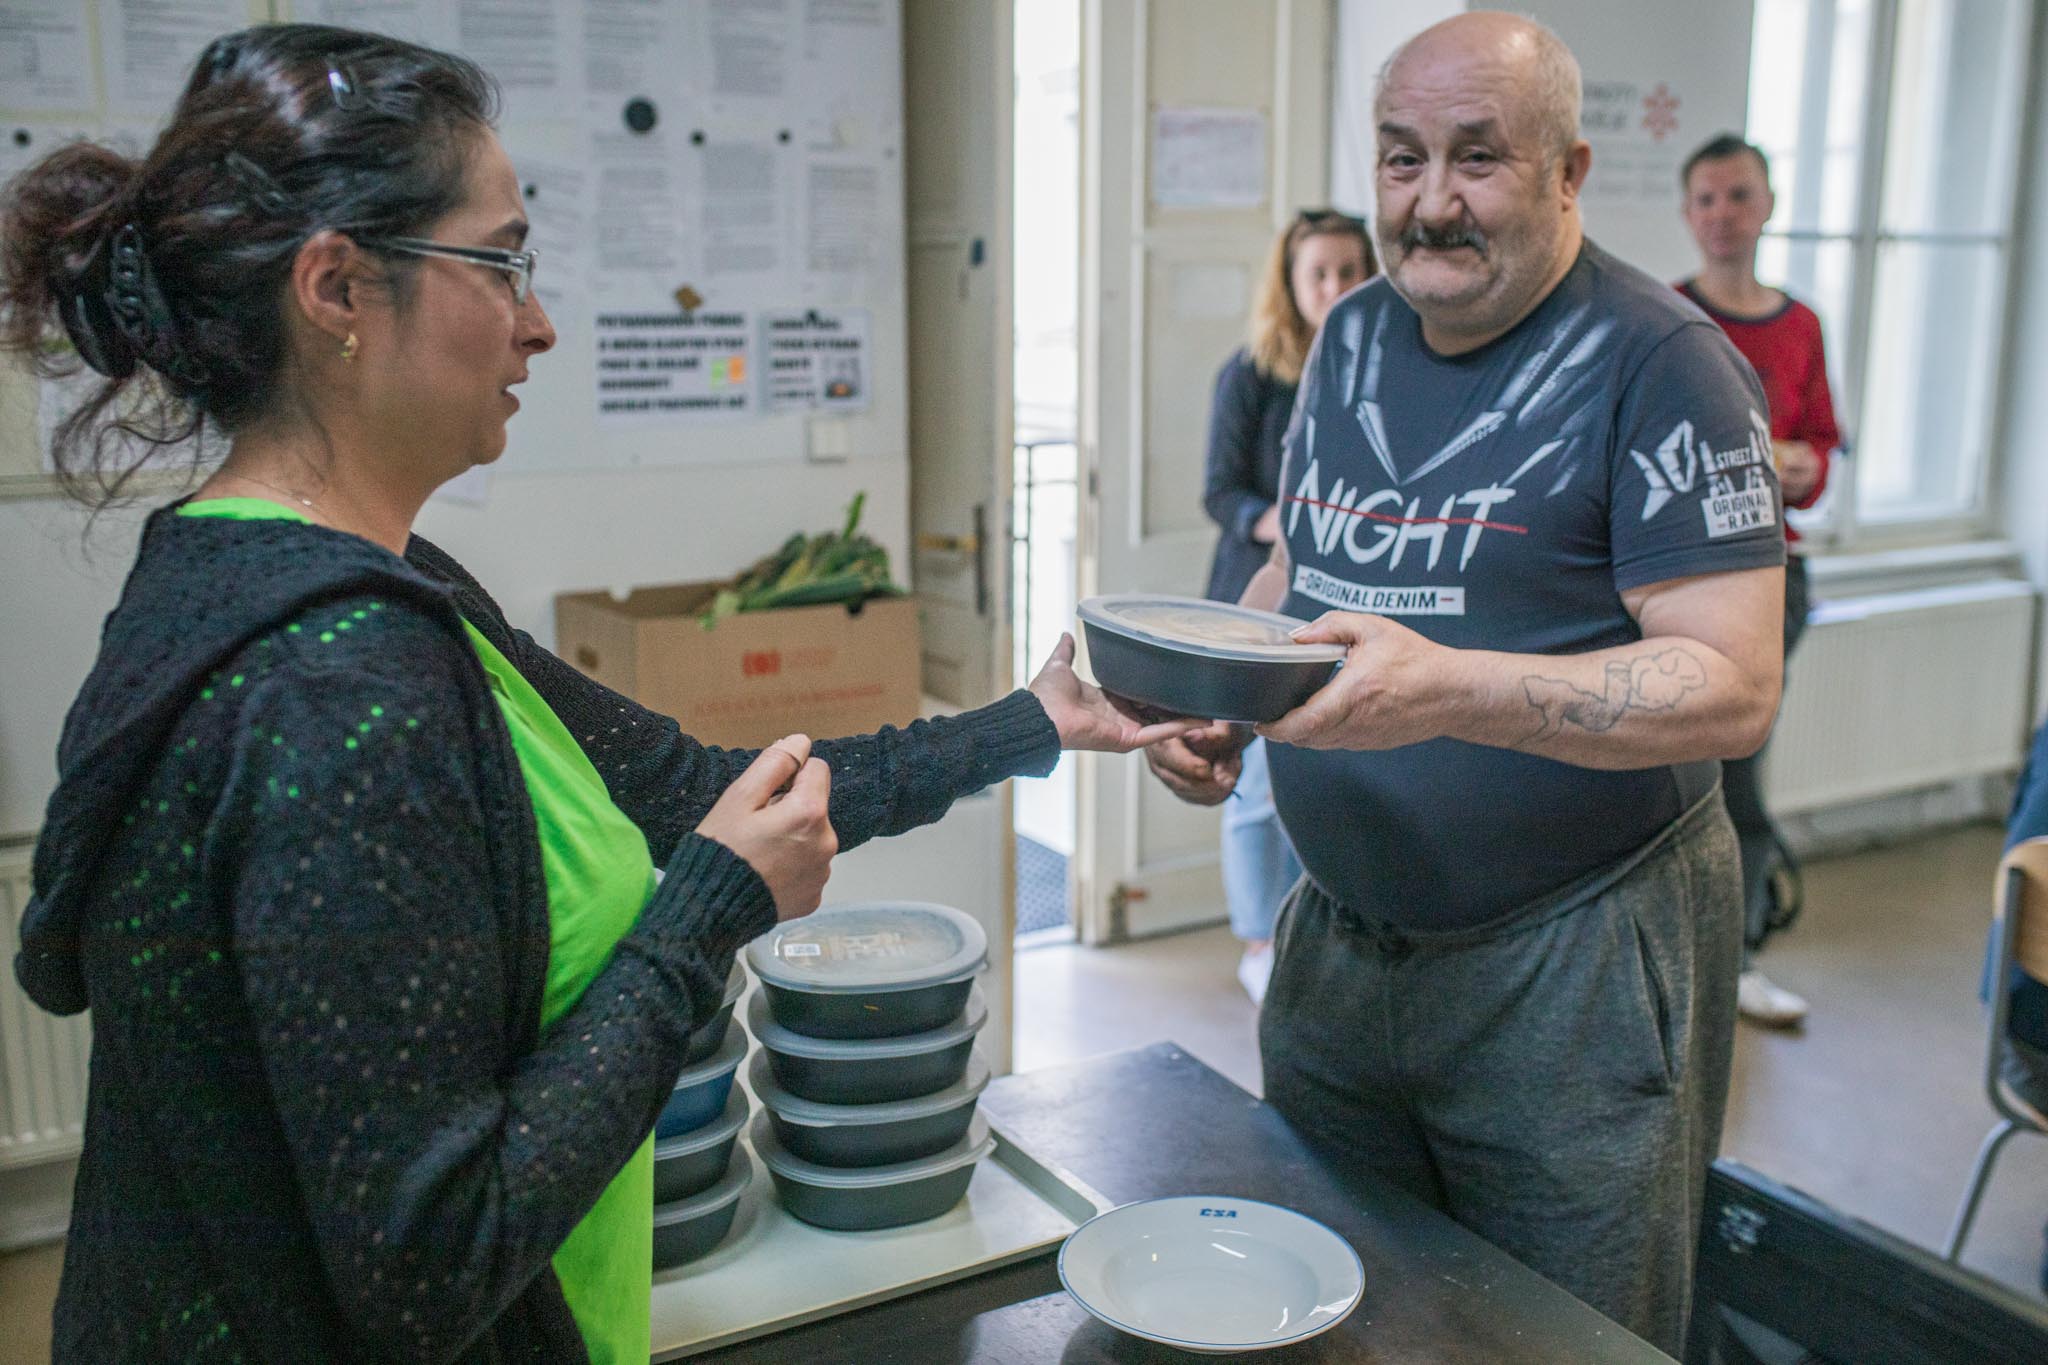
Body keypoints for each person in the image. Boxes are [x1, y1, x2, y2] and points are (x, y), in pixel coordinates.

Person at [1, 26, 1188, 1364]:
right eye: (501, 261)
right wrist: (706, 918)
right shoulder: (331, 685)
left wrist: (1032, 724)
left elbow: (697, 793)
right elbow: (430, 1261)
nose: (540, 320)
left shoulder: (331, 578)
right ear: (336, 289)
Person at [1143, 13, 1786, 1354]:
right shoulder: (1351, 335)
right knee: (1333, 1313)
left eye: (1478, 159)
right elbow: (1301, 567)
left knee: (1559, 1337)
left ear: (1568, 171)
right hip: (1339, 944)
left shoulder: (1665, 365)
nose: (1430, 202)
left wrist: (1453, 694)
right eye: (1401, 159)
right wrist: (1226, 695)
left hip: (1572, 962)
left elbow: (1732, 685)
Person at [1678, 131, 1841, 1028]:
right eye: (1706, 198)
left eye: (1738, 195)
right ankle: (1677, 948)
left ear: (1767, 205)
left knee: (1738, 770)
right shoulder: (1668, 317)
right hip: (1679, 575)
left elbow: (1816, 458)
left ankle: (1736, 955)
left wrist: (1790, 465)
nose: (1723, 215)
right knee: (1676, 772)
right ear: (1686, 212)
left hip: (1770, 578)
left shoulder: (1801, 325)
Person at [1202, 209, 1375, 1003]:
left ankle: (1319, 933)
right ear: (1291, 282)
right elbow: (1220, 491)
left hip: (1346, 604)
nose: (1335, 287)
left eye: (1349, 271)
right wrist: (1285, 522)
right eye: (1319, 273)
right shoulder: (1248, 374)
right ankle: (1258, 941)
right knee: (1258, 784)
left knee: (1331, 774)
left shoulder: (1380, 370)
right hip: (1265, 604)